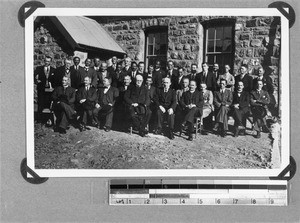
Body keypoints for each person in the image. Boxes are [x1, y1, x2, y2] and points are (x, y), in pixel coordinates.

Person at [34, 56, 56, 121]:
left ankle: (48, 119)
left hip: (50, 90)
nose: (47, 62)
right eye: (46, 61)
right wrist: (36, 81)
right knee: (40, 103)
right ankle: (39, 119)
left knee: (48, 103)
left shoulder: (53, 70)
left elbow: (54, 80)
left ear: (50, 62)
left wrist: (53, 87)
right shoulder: (39, 68)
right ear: (44, 61)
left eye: (48, 61)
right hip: (41, 89)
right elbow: (34, 77)